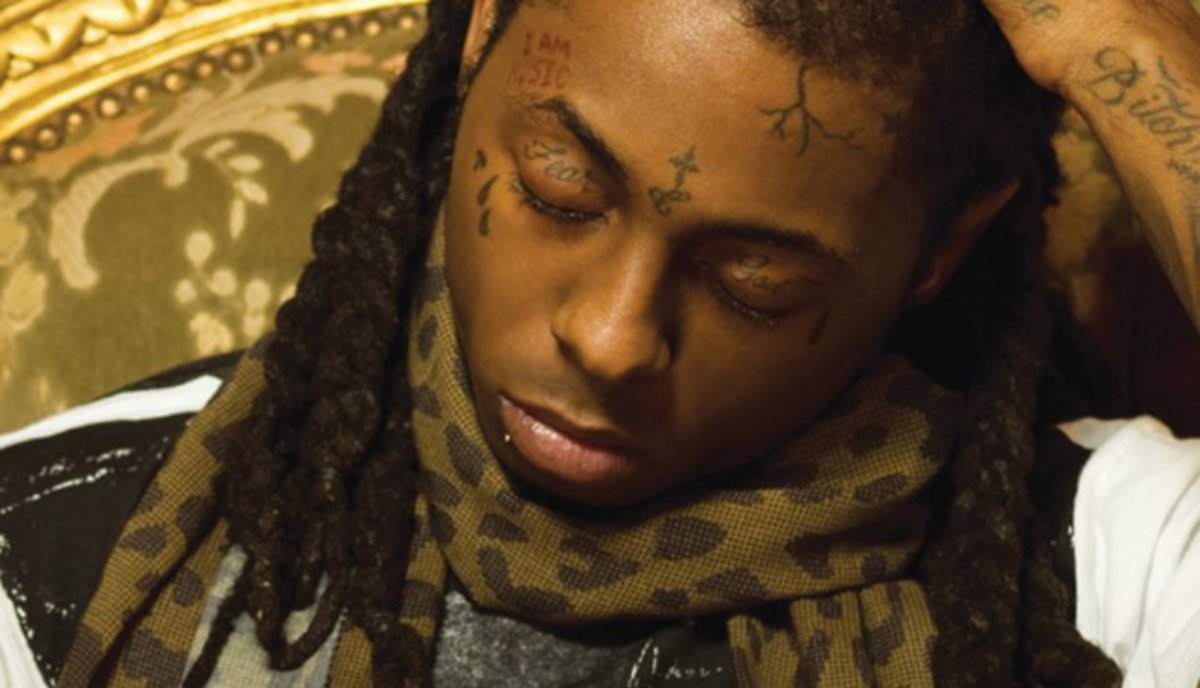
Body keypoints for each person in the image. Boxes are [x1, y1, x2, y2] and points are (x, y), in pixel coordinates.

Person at [1, 0, 1198, 685]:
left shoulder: (1110, 561)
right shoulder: (62, 537)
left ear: (943, 248)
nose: (611, 337)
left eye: (757, 283)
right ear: (476, 39)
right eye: (560, 189)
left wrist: (1123, 51)